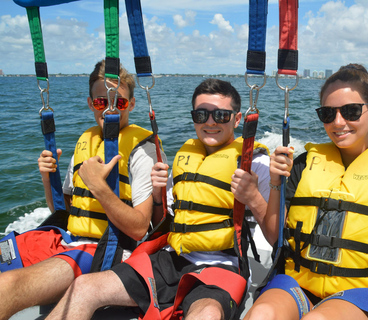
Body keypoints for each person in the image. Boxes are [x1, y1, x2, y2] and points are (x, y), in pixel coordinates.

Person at [45, 78, 272, 320]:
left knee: (205, 314)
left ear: (237, 120)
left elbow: (276, 237)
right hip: (170, 259)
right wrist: (157, 194)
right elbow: (162, 222)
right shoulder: (185, 157)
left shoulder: (256, 163)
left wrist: (254, 198)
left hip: (221, 265)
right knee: (84, 287)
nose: (210, 122)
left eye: (221, 116)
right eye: (201, 115)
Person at [243, 64, 368, 320]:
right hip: (296, 285)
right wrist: (274, 182)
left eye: (351, 111)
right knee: (260, 315)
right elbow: (274, 238)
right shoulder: (302, 165)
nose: (338, 122)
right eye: (328, 113)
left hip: (358, 294)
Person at [0, 60, 165, 320]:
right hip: (66, 239)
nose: (109, 109)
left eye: (119, 102)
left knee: (7, 286)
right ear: (90, 103)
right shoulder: (85, 140)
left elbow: (139, 228)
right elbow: (64, 211)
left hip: (104, 250)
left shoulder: (141, 151)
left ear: (131, 105)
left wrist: (99, 187)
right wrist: (47, 178)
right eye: (101, 102)